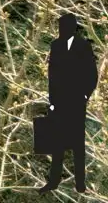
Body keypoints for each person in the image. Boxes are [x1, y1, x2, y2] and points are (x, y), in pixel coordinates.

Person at [49, 13, 99, 193]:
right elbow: (52, 75)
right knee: (57, 141)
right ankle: (54, 180)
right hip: (59, 101)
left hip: (77, 101)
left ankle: (80, 183)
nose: (60, 30)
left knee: (78, 143)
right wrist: (52, 101)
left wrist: (85, 96)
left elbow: (92, 74)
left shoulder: (83, 46)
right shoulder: (55, 45)